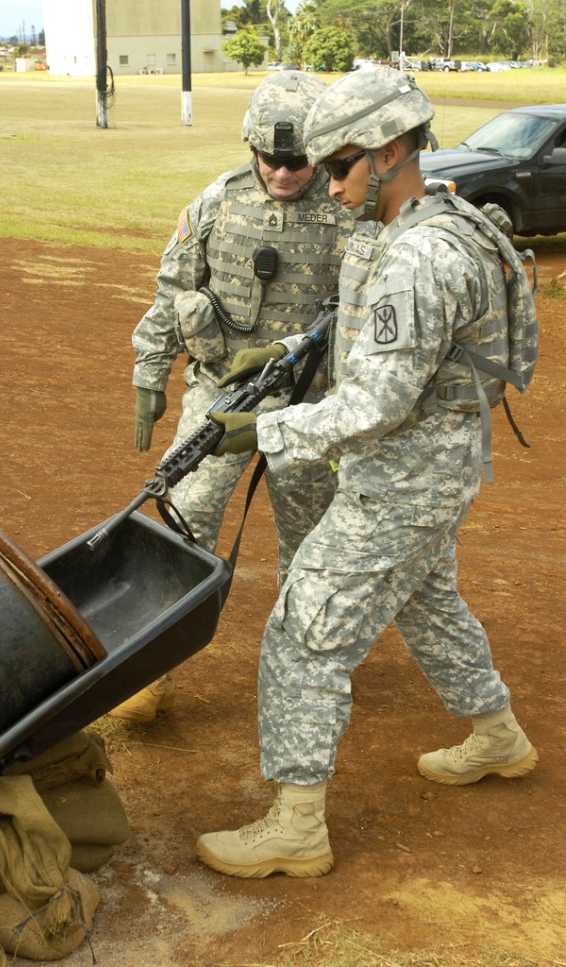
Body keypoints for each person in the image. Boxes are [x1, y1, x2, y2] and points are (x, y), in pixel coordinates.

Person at [196, 65, 538, 878]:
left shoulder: (420, 253)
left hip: (403, 475)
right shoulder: (411, 220)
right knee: (428, 600)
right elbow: (359, 330)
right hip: (429, 467)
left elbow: (376, 403)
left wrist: (266, 430)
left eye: (338, 166)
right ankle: (498, 737)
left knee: (303, 630)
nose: (325, 185)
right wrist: (289, 351)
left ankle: (297, 824)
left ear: (388, 150)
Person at [110, 70, 355, 723]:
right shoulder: (216, 204)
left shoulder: (345, 212)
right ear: (251, 145)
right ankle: (151, 671)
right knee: (184, 525)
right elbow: (173, 290)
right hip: (221, 398)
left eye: (298, 159)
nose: (283, 171)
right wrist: (149, 373)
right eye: (271, 158)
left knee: (312, 543)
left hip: (309, 408)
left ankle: (310, 672)